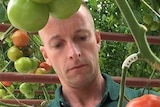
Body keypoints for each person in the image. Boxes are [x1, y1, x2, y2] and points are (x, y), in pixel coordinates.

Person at [38, 2, 160, 107]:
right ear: (46, 56)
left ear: (97, 40)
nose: (74, 53)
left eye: (82, 37)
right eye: (58, 44)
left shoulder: (149, 102)